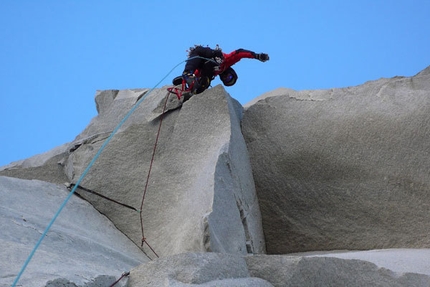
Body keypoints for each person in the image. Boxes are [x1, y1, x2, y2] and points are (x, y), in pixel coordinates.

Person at [181, 45, 269, 94]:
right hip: (207, 54)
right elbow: (240, 53)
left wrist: (191, 83)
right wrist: (257, 56)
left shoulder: (213, 74)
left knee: (206, 81)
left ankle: (191, 83)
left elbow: (199, 73)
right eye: (229, 77)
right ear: (231, 72)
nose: (226, 77)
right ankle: (188, 73)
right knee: (204, 57)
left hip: (202, 66)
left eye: (226, 80)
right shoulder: (227, 62)